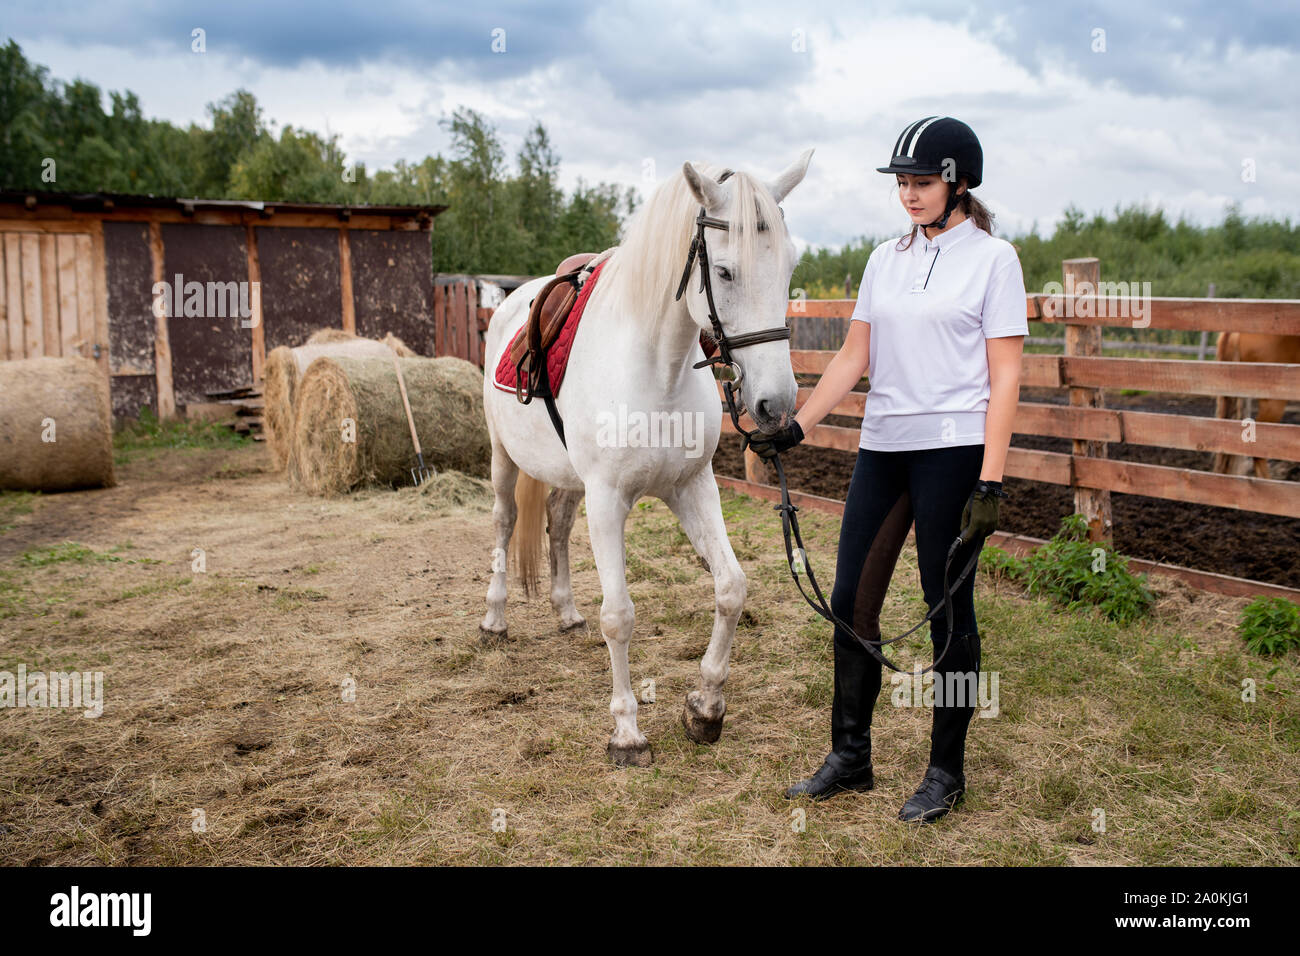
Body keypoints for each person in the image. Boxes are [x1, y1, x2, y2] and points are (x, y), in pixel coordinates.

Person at [752, 116, 1027, 823]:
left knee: (948, 612)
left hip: (956, 450)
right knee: (850, 600)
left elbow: (1006, 376)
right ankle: (851, 757)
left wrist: (990, 481)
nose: (908, 194)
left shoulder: (995, 261)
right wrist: (798, 427)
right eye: (902, 183)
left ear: (958, 182)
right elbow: (854, 357)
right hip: (884, 447)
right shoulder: (884, 259)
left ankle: (946, 771)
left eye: (922, 182)